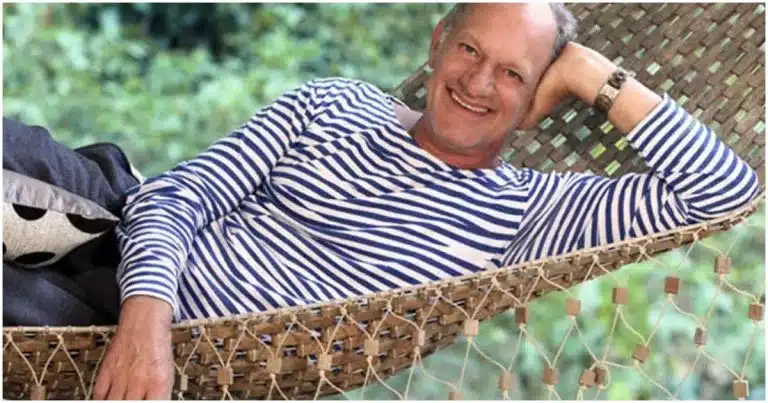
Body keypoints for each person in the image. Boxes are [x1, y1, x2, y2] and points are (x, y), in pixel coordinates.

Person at [5, 3, 759, 400]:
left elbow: (726, 190)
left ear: (538, 97)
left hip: (103, 332)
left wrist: (594, 75)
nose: (478, 82)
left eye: (513, 73)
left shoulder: (531, 213)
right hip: (121, 233)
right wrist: (147, 318)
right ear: (438, 43)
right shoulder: (337, 102)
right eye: (470, 50)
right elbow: (181, 192)